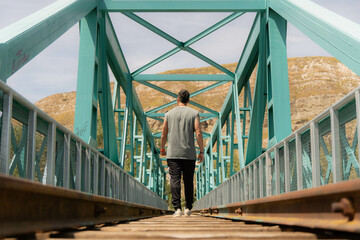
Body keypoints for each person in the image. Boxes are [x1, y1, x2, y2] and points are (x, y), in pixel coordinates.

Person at [160, 89, 204, 217]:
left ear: (177, 99)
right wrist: (201, 151)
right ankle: (188, 208)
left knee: (175, 180)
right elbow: (198, 132)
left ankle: (177, 209)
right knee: (189, 180)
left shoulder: (168, 114)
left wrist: (162, 148)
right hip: (189, 154)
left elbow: (163, 133)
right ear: (189, 100)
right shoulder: (194, 113)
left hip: (173, 153)